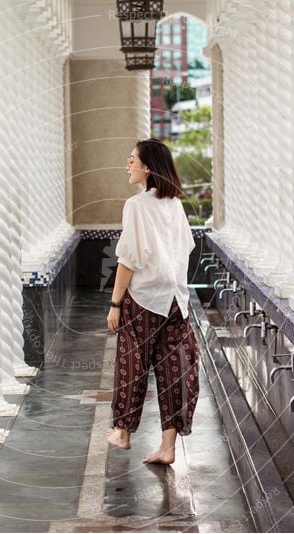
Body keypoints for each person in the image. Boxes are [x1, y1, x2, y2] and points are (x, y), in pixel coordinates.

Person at [105, 138, 200, 465]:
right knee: (174, 370)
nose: (128, 165)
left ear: (147, 166)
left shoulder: (137, 205)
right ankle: (168, 447)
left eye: (132, 160)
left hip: (145, 296)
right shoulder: (173, 203)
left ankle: (123, 432)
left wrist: (116, 303)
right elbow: (186, 247)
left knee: (132, 363)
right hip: (176, 298)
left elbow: (128, 259)